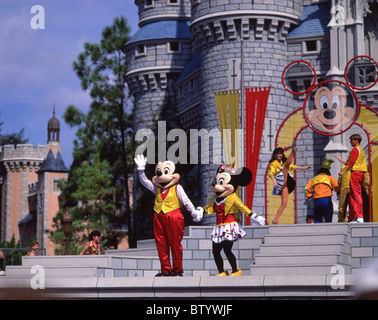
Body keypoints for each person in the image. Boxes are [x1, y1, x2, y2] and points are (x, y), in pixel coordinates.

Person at [134, 155, 201, 276]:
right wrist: (141, 171)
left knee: (175, 243)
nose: (162, 177)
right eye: (159, 173)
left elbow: (186, 201)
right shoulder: (157, 189)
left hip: (174, 216)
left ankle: (177, 269)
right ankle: (166, 269)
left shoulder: (177, 188)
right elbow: (146, 182)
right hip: (158, 217)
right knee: (161, 244)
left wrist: (193, 212)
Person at [197, 164, 265, 276]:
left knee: (227, 250)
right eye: (216, 181)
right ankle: (221, 272)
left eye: (222, 182)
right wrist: (200, 210)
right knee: (215, 251)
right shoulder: (215, 198)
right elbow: (209, 208)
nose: (216, 185)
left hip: (229, 226)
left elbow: (242, 207)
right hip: (219, 227)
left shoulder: (232, 197)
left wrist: (254, 216)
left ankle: (236, 271)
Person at [268, 141, 311, 224]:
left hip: (285, 184)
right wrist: (273, 180)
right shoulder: (273, 164)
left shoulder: (282, 163)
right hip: (280, 181)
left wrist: (304, 168)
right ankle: (293, 151)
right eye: (278, 154)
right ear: (275, 155)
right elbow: (271, 173)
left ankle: (276, 219)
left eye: (281, 154)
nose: (280, 155)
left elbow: (293, 166)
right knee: (286, 167)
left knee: (284, 203)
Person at [334, 134, 368, 223]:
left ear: (356, 140)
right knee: (353, 195)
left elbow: (351, 163)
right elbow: (352, 162)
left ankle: (359, 216)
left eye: (351, 140)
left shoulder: (355, 149)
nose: (350, 142)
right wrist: (341, 160)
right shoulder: (360, 150)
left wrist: (342, 171)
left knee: (356, 195)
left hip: (356, 173)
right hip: (359, 173)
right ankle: (355, 217)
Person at [305, 158, 338, 223]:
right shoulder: (329, 177)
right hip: (327, 200)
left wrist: (309, 196)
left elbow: (306, 188)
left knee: (317, 219)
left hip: (317, 201)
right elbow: (336, 186)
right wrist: (338, 192)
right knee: (328, 219)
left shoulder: (314, 179)